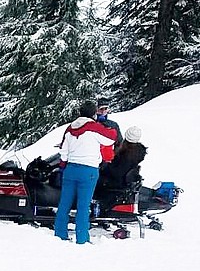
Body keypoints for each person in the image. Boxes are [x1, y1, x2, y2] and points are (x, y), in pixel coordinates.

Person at [54, 101, 116, 244]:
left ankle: (60, 234)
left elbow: (63, 150)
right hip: (88, 170)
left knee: (64, 203)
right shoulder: (94, 127)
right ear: (94, 114)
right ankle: (82, 238)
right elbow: (110, 138)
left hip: (70, 169)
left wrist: (63, 165)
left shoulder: (70, 128)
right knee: (83, 206)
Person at [96, 126, 147, 205]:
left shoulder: (126, 154)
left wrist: (104, 167)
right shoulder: (136, 153)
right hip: (120, 180)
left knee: (93, 179)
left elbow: (117, 172)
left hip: (116, 182)